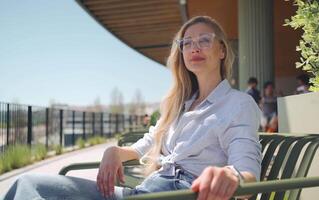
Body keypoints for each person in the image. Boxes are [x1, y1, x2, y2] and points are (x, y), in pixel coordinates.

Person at [4, 16, 262, 200]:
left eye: (205, 40)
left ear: (221, 51)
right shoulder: (181, 104)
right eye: (187, 42)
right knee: (29, 184)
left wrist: (231, 177)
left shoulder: (237, 104)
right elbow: (151, 140)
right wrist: (116, 151)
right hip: (144, 192)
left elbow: (246, 167)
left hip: (178, 193)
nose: (194, 46)